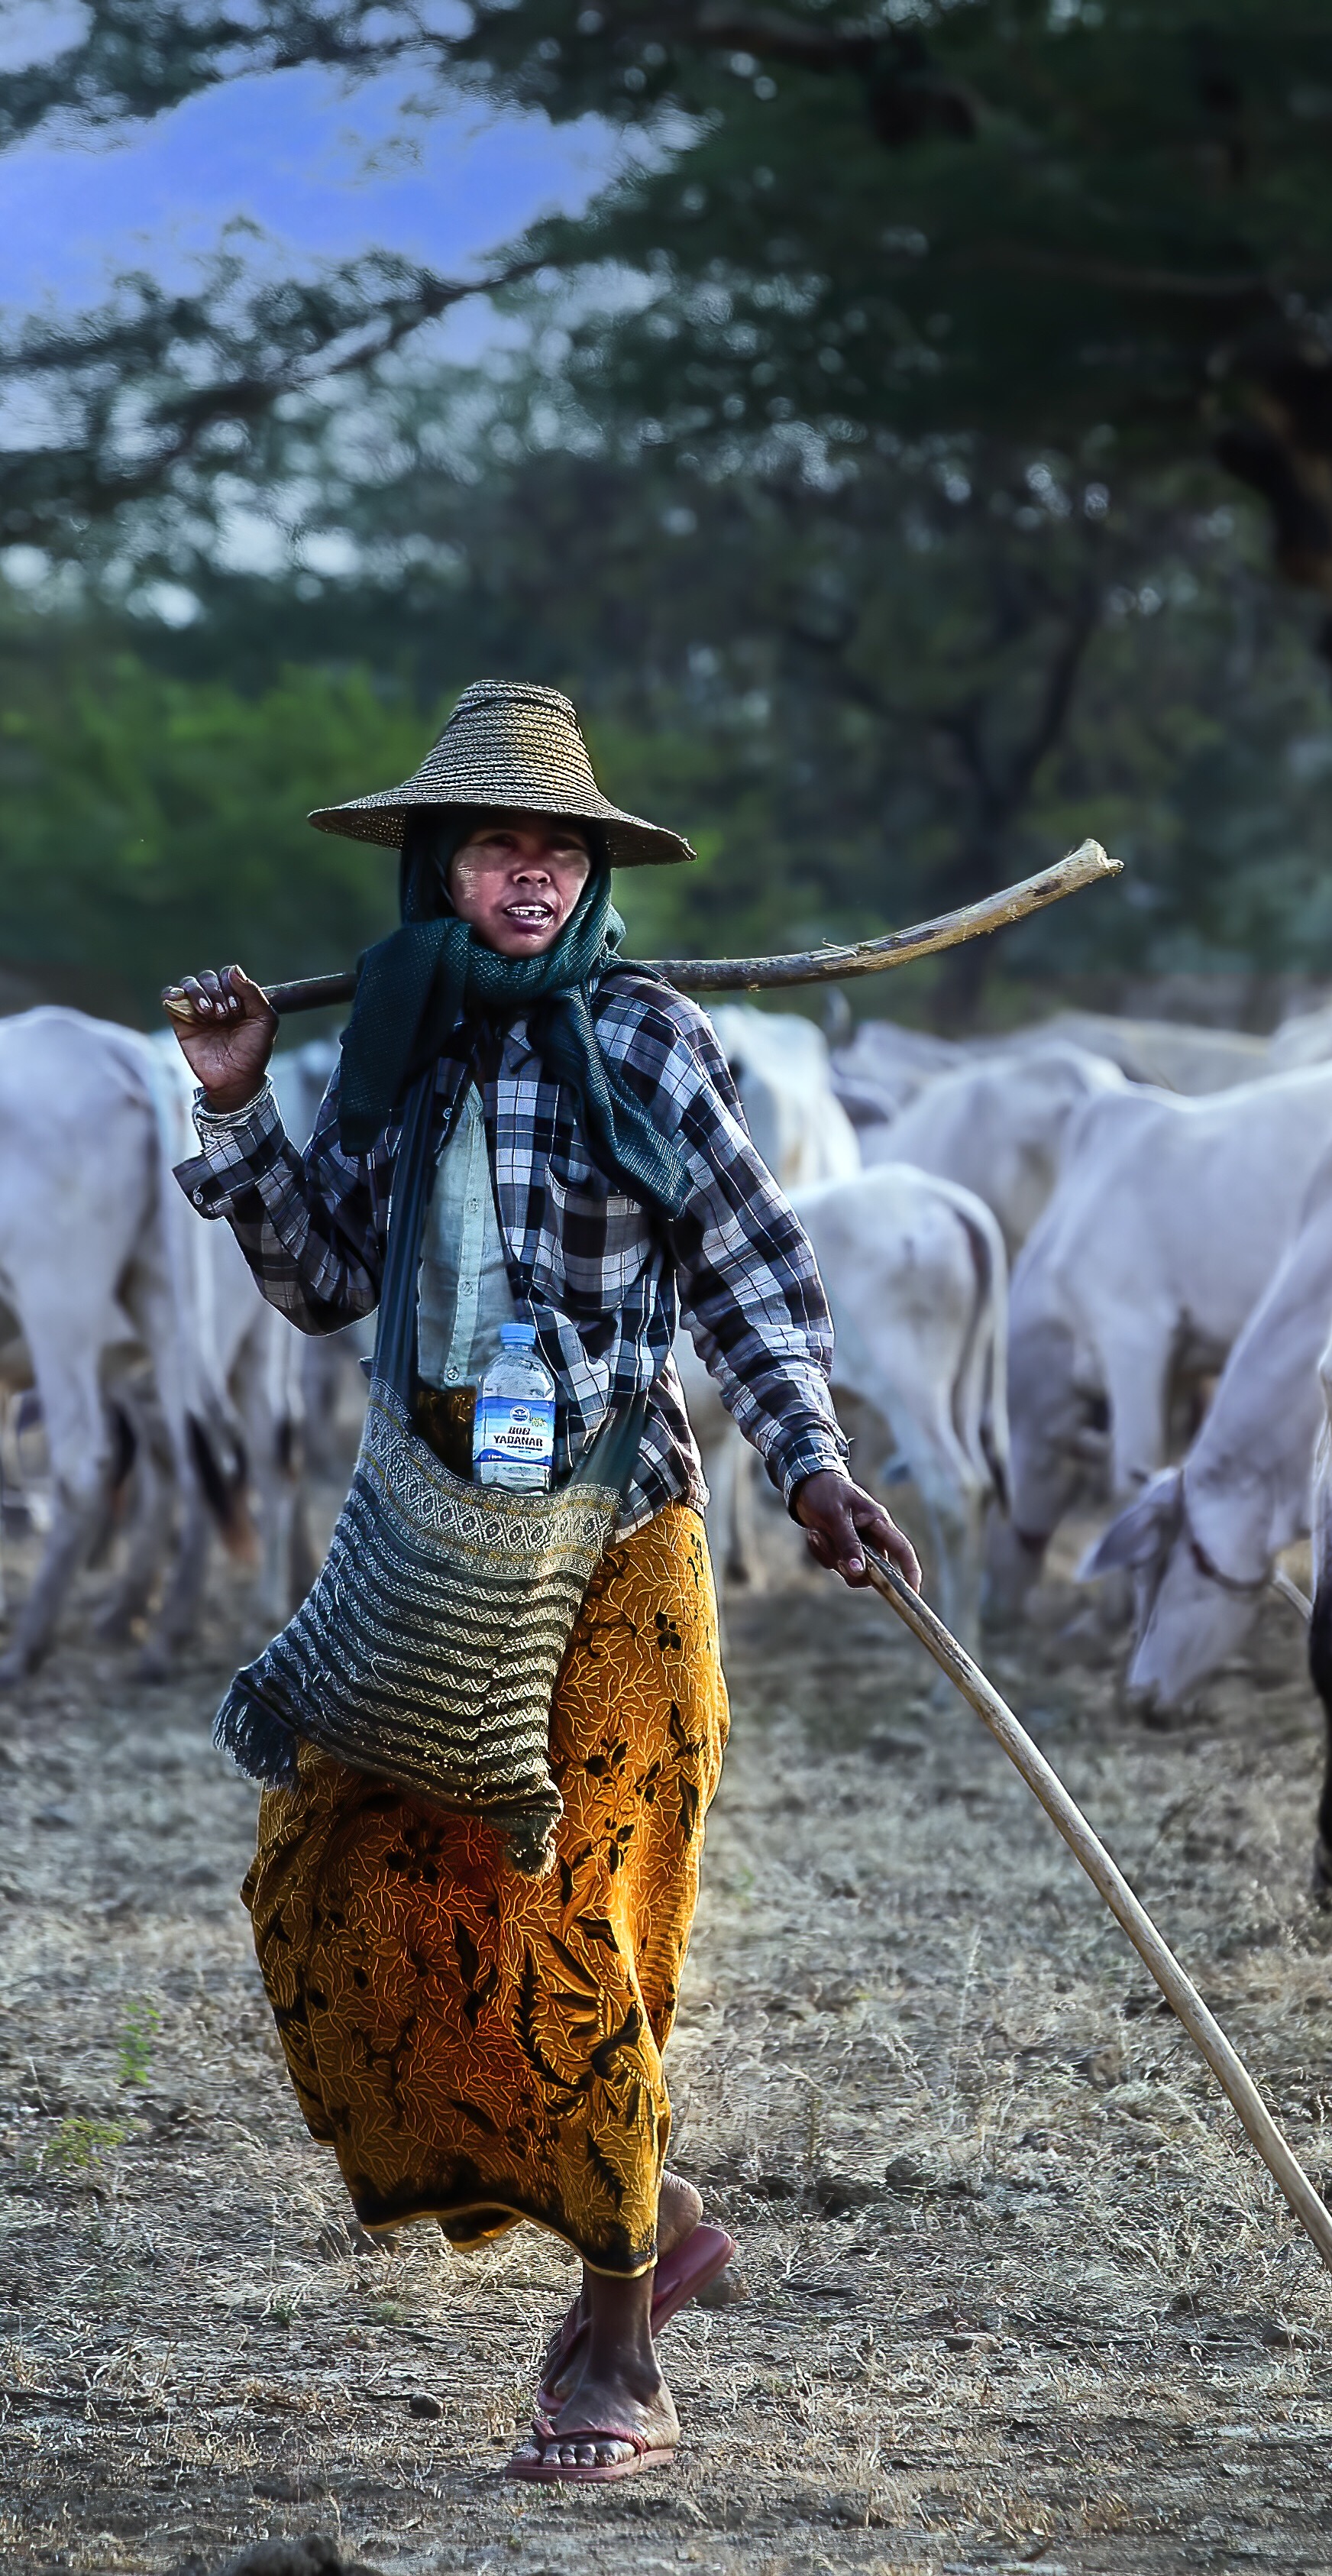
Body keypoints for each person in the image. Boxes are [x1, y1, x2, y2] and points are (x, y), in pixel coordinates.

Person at [168, 679, 920, 2487]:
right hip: (431, 1547)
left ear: (596, 873)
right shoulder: (399, 1043)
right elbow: (326, 1275)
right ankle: (655, 2215)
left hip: (621, 1542)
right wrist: (238, 1106)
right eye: (498, 844)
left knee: (587, 1923)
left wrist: (811, 1464)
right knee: (336, 1886)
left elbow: (749, 1271)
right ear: (440, 871)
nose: (531, 874)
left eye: (560, 847)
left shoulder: (654, 1042)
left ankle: (611, 2331)